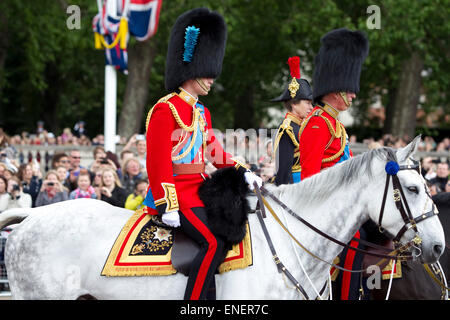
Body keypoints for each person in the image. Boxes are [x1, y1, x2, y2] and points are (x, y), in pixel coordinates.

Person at [144, 7, 261, 300]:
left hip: (198, 189)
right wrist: (166, 203)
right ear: (192, 70)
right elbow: (156, 161)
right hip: (176, 194)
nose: (211, 80)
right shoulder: (165, 108)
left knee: (228, 236)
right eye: (207, 74)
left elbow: (215, 152)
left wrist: (243, 172)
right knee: (211, 242)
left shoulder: (201, 111)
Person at [298, 28, 369, 300]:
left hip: (342, 201)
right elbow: (311, 177)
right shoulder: (318, 123)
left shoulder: (333, 123)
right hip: (324, 206)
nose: (353, 95)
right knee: (354, 241)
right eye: (349, 90)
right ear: (335, 88)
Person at [270, 56, 313, 185]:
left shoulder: (301, 126)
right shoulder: (287, 129)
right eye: (307, 103)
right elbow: (284, 170)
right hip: (295, 186)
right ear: (294, 103)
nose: (311, 107)